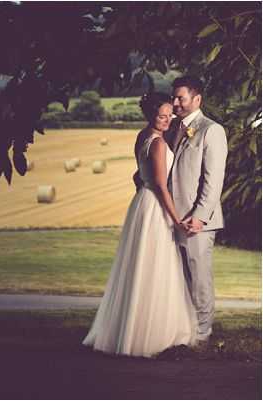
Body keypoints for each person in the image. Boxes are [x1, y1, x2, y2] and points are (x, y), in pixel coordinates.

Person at [82, 92, 198, 358]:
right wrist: (177, 220)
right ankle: (153, 335)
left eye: (170, 114)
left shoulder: (142, 136)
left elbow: (139, 175)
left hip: (141, 203)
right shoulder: (157, 143)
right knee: (156, 266)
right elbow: (159, 185)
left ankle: (133, 330)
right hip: (154, 205)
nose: (168, 120)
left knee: (142, 266)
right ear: (150, 115)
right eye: (162, 116)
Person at [167, 76, 228, 344]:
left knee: (199, 277)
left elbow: (213, 180)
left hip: (197, 221)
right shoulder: (172, 129)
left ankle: (203, 333)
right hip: (171, 216)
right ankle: (182, 329)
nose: (175, 103)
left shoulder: (211, 130)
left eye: (181, 97)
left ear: (197, 99)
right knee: (177, 278)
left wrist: (200, 217)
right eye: (174, 98)